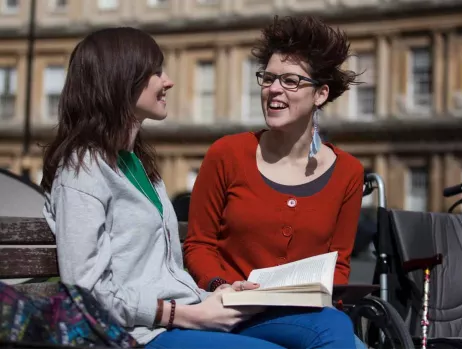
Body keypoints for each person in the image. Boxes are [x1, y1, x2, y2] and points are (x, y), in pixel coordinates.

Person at [40, 27, 357, 349]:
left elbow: (163, 276)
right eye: (155, 72)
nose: (168, 81)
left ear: (321, 94)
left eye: (290, 81)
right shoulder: (82, 171)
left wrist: (214, 296)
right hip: (138, 333)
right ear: (122, 80)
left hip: (185, 311)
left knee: (332, 324)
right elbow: (86, 291)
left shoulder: (137, 164)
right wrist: (186, 312)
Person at [183, 15, 366, 348]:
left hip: (307, 315)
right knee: (335, 332)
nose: (274, 89)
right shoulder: (226, 153)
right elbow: (199, 244)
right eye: (268, 79)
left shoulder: (349, 172)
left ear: (320, 94)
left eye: (291, 81)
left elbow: (338, 264)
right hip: (229, 313)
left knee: (337, 330)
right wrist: (220, 285)